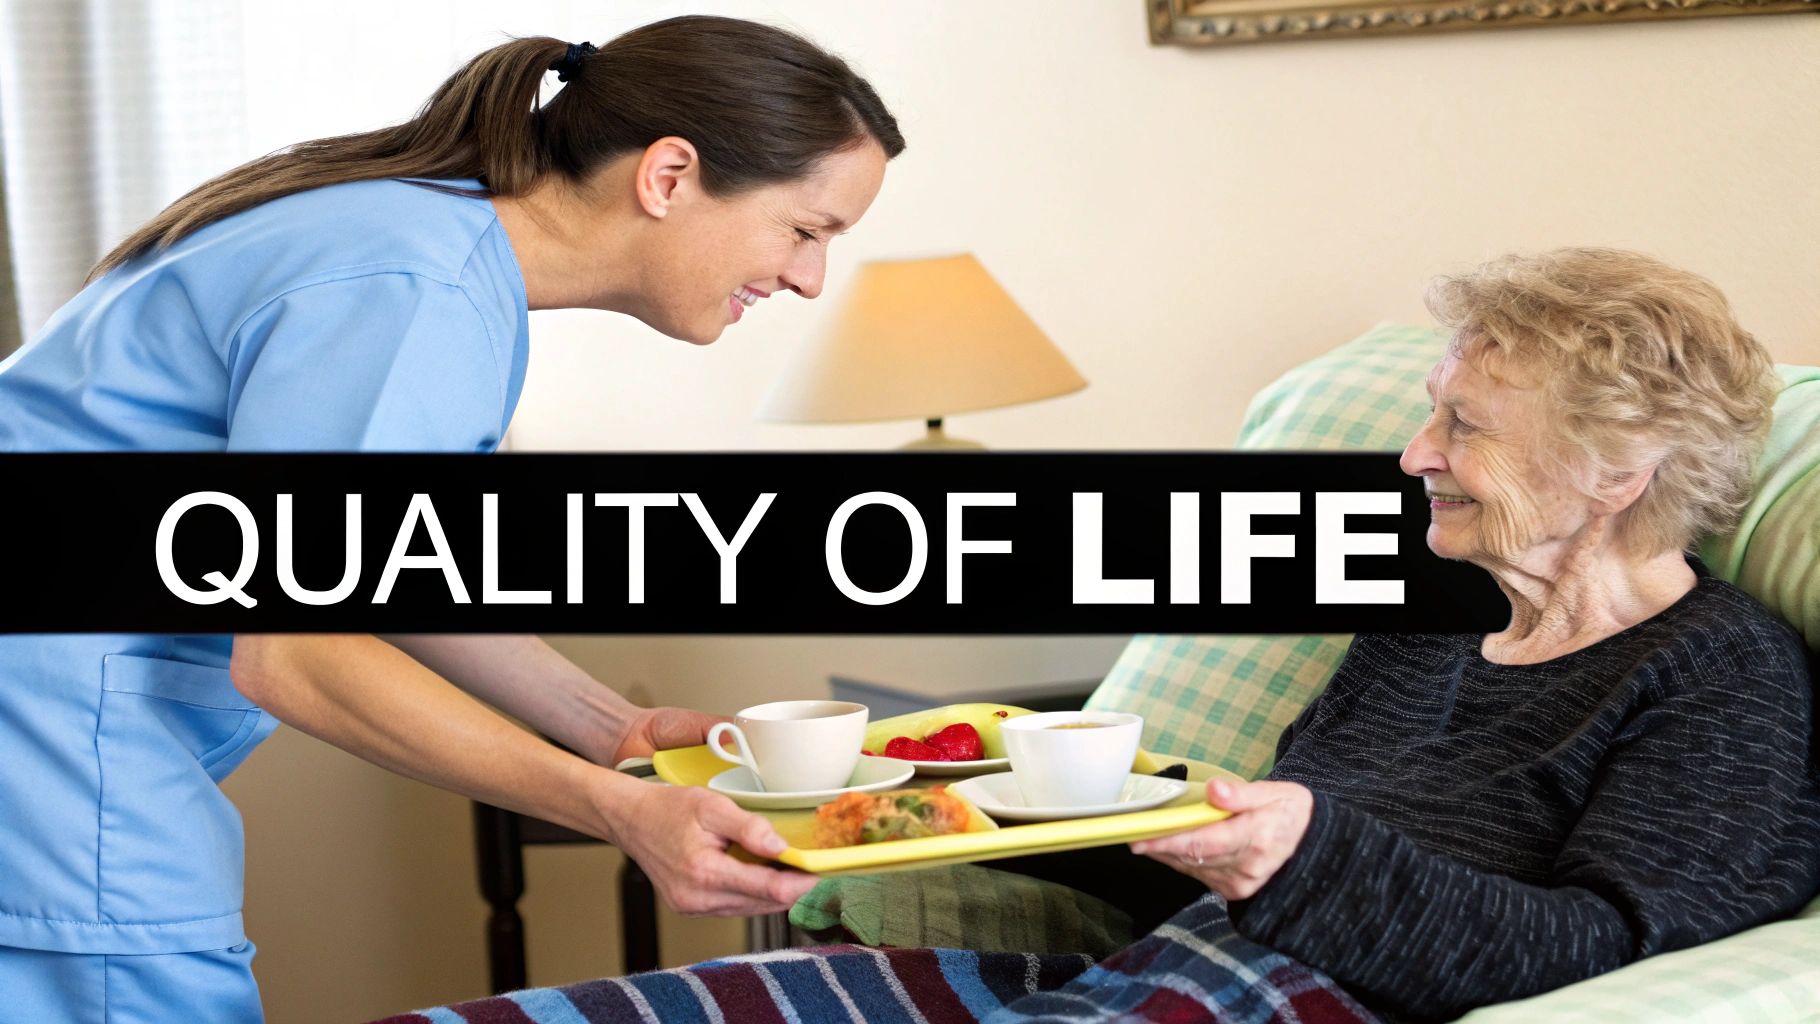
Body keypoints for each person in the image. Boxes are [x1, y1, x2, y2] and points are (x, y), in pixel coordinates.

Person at [0, 16, 902, 1023]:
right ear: (668, 174)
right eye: (806, 229)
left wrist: (610, 730)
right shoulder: (418, 291)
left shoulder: (426, 244)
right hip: (45, 728)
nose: (806, 277)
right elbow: (298, 649)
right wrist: (619, 810)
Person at [1124, 248, 1820, 1021]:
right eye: (1433, 412)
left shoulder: (1722, 676)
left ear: (1616, 473)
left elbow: (1620, 958)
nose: (1416, 454)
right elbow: (1245, 886)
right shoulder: (1426, 625)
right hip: (1171, 967)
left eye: (1465, 424)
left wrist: (1308, 862)